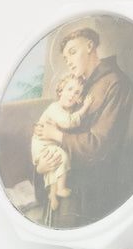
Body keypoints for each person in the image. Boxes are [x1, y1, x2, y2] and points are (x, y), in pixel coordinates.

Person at [33, 27, 133, 223]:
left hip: (92, 189)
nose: (69, 62)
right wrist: (41, 166)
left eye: (73, 52)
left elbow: (99, 145)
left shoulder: (116, 84)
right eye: (66, 58)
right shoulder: (79, 86)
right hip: (64, 174)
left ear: (90, 46)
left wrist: (56, 135)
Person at [30, 74, 90, 211]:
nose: (72, 95)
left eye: (77, 93)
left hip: (47, 147)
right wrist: (85, 108)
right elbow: (68, 122)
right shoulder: (56, 108)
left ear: (79, 98)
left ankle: (53, 195)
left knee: (56, 164)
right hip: (42, 146)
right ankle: (60, 189)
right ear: (61, 91)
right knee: (61, 157)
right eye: (69, 89)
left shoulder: (67, 110)